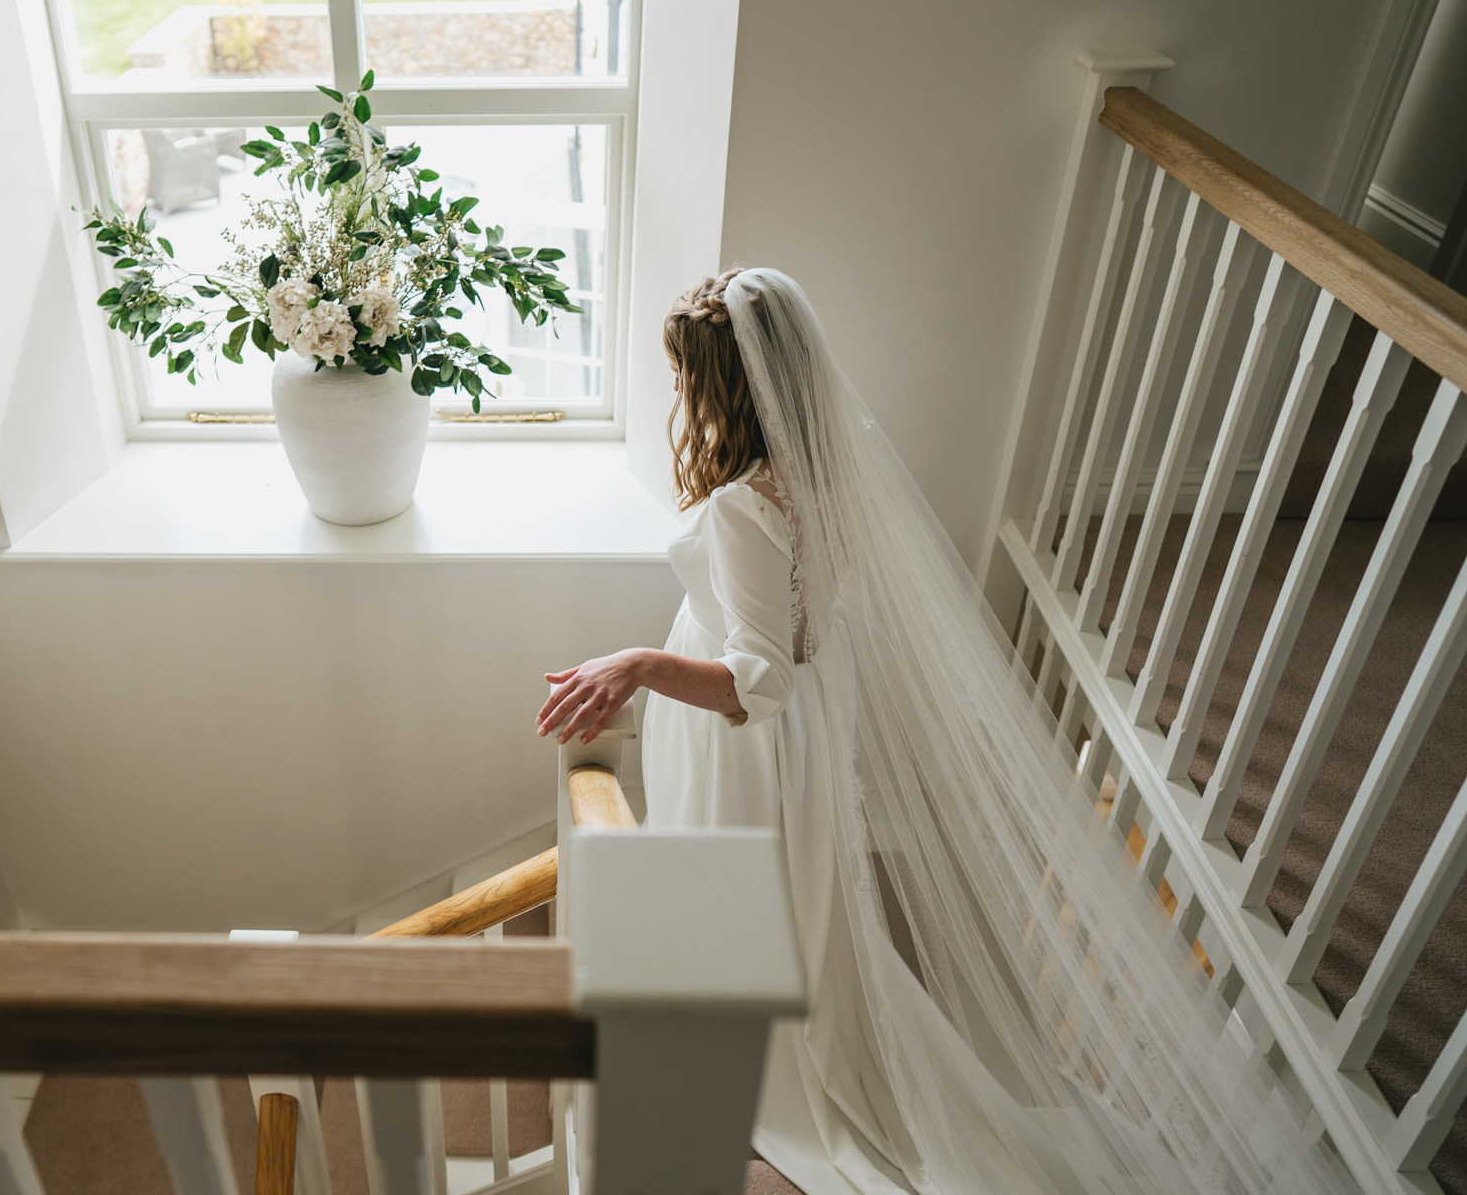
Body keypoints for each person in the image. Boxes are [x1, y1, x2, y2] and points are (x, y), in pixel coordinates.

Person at [536, 269, 1354, 1195]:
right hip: (804, 731)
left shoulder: (742, 506)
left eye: (687, 376)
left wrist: (637, 663)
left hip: (749, 740)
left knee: (741, 899)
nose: (678, 393)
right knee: (790, 903)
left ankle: (746, 1063)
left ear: (725, 388)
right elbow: (810, 640)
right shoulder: (830, 471)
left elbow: (755, 680)